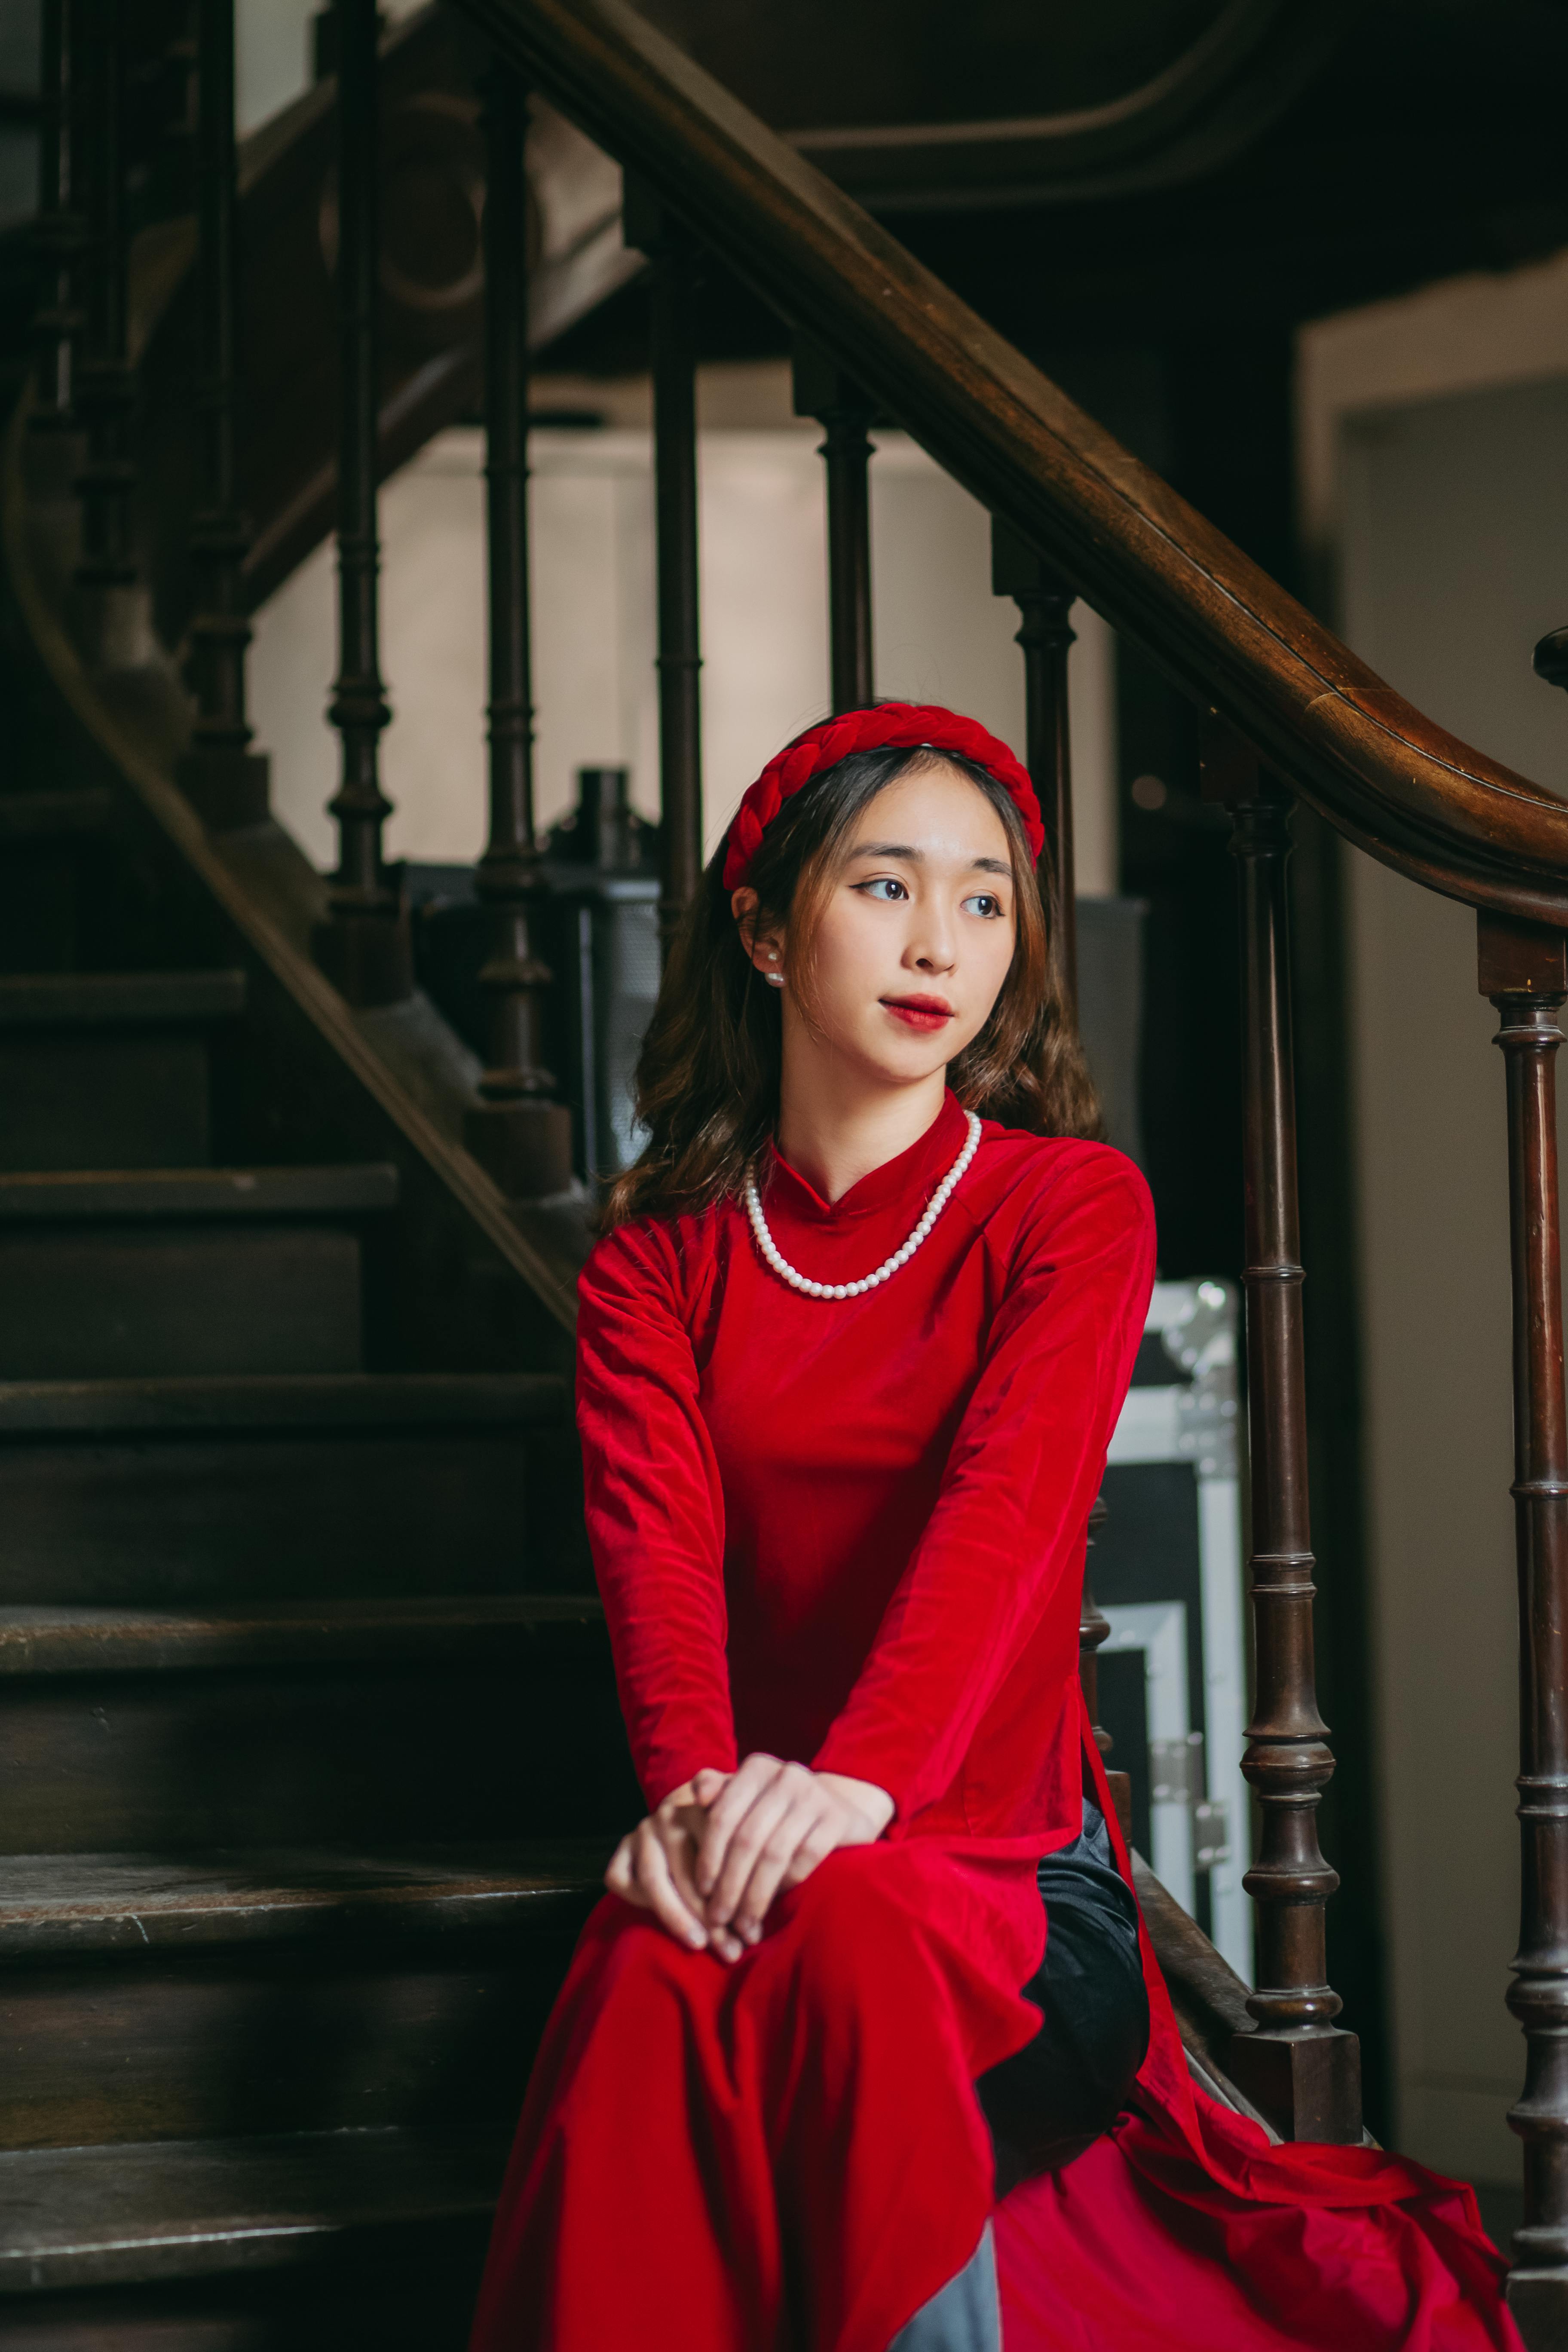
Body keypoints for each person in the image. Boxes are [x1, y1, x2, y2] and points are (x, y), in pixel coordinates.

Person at [469, 703, 1520, 2352]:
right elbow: (655, 1569)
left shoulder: (1065, 1209)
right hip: (768, 1844)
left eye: (984, 901)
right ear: (761, 927)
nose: (940, 942)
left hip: (1019, 1885)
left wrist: (843, 1795)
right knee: (640, 1967)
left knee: (859, 1942)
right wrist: (691, 1808)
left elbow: (1000, 1532)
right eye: (887, 885)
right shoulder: (655, 1264)